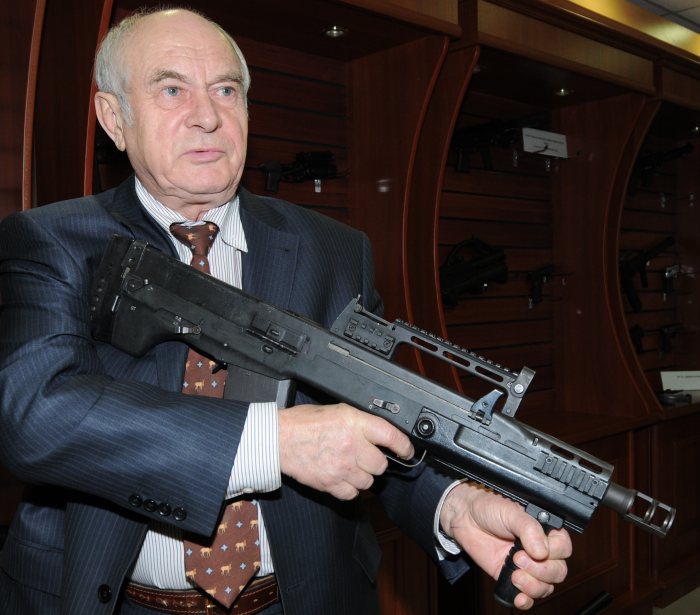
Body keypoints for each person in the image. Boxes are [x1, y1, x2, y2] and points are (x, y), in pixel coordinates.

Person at [0, 7, 571, 615]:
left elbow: (385, 422)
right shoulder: (52, 241)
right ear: (114, 118)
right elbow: (35, 416)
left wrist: (452, 506)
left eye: (226, 90)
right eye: (171, 89)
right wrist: (272, 444)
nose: (207, 115)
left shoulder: (334, 251)